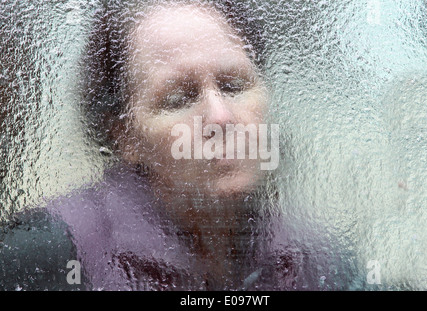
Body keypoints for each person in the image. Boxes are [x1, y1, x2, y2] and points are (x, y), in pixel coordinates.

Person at [1, 0, 345, 291]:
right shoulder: (47, 253)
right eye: (178, 98)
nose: (221, 117)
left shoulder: (320, 255)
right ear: (125, 136)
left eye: (234, 85)